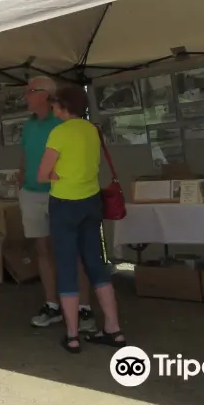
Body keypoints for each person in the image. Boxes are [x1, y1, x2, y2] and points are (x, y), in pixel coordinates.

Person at [37, 85, 126, 353]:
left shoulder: (59, 132)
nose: (53, 110)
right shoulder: (93, 130)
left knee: (66, 266)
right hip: (91, 203)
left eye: (55, 106)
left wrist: (54, 176)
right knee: (96, 264)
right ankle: (114, 328)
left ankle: (73, 334)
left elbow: (42, 174)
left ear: (64, 106)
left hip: (65, 204)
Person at [19, 76, 96, 332]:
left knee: (73, 252)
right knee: (43, 251)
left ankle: (83, 308)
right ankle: (51, 305)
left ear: (46, 95)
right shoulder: (28, 126)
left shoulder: (64, 122)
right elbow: (26, 158)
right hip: (32, 193)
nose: (25, 96)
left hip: (63, 195)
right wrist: (21, 182)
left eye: (29, 91)